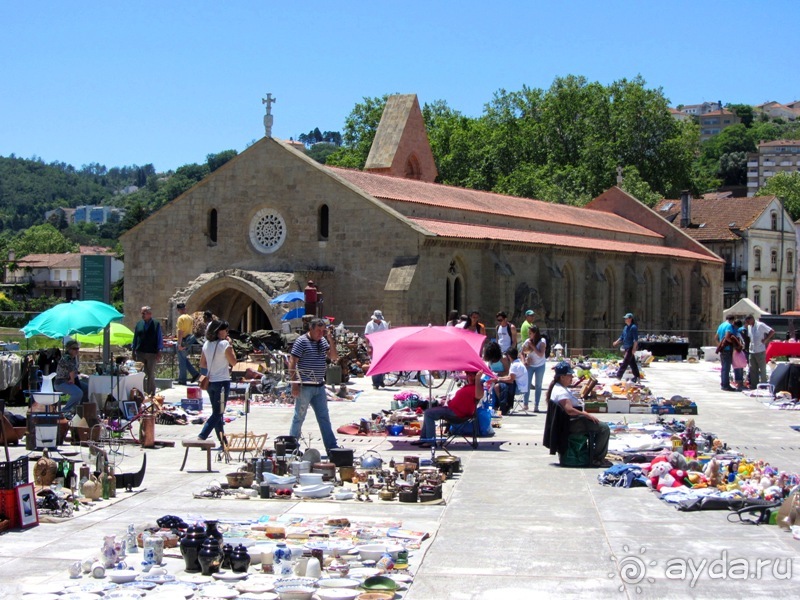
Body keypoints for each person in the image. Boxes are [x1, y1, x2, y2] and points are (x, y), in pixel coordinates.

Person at [288, 318, 339, 453]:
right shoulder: (302, 341)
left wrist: (329, 338)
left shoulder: (322, 341)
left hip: (319, 386)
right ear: (311, 329)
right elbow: (292, 362)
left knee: (324, 418)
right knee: (299, 416)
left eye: (323, 331)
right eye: (318, 331)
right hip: (305, 386)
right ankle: (291, 447)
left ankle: (332, 447)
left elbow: (334, 357)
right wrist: (294, 384)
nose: (320, 334)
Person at [547, 361, 611, 467]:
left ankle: (592, 454)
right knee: (604, 428)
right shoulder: (560, 391)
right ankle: (597, 459)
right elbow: (569, 410)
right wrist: (586, 415)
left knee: (599, 425)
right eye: (569, 375)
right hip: (572, 423)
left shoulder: (559, 387)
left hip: (571, 421)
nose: (572, 377)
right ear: (562, 377)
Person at [414, 370, 484, 448]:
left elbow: (479, 395)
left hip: (457, 413)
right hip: (452, 409)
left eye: (472, 375)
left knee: (428, 413)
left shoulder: (477, 387)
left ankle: (430, 441)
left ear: (476, 376)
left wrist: (478, 379)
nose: (470, 377)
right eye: (468, 375)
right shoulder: (468, 385)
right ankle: (424, 439)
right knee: (428, 412)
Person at [197, 320, 237, 449]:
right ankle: (202, 436)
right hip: (222, 381)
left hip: (210, 382)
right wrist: (230, 346)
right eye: (225, 330)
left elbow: (202, 364)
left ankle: (223, 442)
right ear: (220, 331)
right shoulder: (225, 344)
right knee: (218, 413)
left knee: (217, 412)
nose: (227, 333)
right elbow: (234, 362)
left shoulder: (207, 344)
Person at [132, 305, 163, 396]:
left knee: (150, 374)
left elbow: (159, 338)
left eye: (144, 313)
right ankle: (140, 393)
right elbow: (135, 338)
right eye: (142, 313)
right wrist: (133, 350)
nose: (142, 315)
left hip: (151, 353)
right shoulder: (139, 324)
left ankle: (151, 393)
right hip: (140, 352)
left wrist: (159, 351)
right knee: (139, 374)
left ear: (149, 314)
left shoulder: (156, 324)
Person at [54, 338, 88, 417]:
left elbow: (75, 371)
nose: (76, 350)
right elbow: (71, 370)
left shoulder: (74, 358)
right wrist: (72, 379)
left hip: (69, 380)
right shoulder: (67, 357)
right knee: (78, 393)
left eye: (77, 348)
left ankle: (79, 410)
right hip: (61, 382)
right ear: (68, 349)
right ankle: (64, 411)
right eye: (74, 348)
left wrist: (80, 375)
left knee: (87, 388)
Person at [492, 347, 528, 415]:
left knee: (496, 386)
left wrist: (498, 379)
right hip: (519, 386)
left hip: (518, 388)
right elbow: (510, 377)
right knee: (497, 384)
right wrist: (498, 378)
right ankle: (498, 406)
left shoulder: (514, 365)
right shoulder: (517, 363)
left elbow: (510, 380)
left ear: (509, 356)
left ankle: (501, 405)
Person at [521, 325, 547, 412]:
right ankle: (525, 404)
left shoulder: (542, 341)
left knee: (538, 385)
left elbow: (541, 354)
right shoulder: (527, 341)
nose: (529, 335)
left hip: (540, 365)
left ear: (535, 333)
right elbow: (521, 352)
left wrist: (532, 346)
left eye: (530, 333)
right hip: (530, 365)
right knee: (527, 384)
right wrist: (524, 361)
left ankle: (536, 405)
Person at [745, 314, 775, 386]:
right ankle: (754, 385)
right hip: (752, 350)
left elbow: (772, 331)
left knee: (762, 369)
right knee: (753, 369)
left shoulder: (760, 325)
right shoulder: (749, 327)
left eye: (748, 321)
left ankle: (763, 385)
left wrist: (766, 340)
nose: (747, 323)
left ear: (752, 319)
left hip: (760, 350)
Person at [175, 302, 200, 386]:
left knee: (182, 361)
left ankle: (182, 379)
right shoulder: (189, 318)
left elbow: (180, 331)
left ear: (178, 310)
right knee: (183, 359)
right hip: (189, 340)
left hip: (183, 341)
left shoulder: (181, 318)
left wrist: (179, 344)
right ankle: (195, 374)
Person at [612, 312, 640, 382]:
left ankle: (618, 376)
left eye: (626, 318)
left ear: (630, 319)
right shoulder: (625, 327)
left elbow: (635, 339)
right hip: (626, 346)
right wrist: (616, 342)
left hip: (631, 347)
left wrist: (634, 348)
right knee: (632, 362)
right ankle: (637, 376)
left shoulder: (633, 327)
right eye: (625, 318)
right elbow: (622, 337)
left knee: (625, 361)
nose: (625, 319)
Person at [364, 310, 389, 389]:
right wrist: (368, 347)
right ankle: (375, 383)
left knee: (383, 363)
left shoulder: (384, 324)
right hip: (373, 346)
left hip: (382, 346)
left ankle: (381, 380)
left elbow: (387, 335)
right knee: (375, 364)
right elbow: (367, 337)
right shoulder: (369, 325)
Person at [715, 314, 739, 392]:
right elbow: (727, 337)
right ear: (732, 320)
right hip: (727, 349)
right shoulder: (729, 326)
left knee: (723, 367)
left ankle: (723, 383)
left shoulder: (721, 325)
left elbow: (716, 337)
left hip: (722, 349)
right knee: (726, 367)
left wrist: (719, 344)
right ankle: (726, 385)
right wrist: (734, 343)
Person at [732, 319, 746, 390]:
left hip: (736, 351)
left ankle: (739, 382)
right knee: (740, 367)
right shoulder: (739, 332)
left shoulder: (735, 332)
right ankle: (739, 382)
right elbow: (743, 343)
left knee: (737, 367)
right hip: (739, 351)